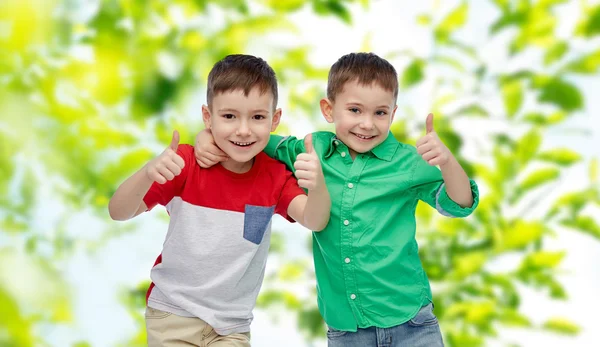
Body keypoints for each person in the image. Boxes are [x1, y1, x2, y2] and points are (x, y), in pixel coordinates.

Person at [193, 52, 480, 347]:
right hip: (346, 328)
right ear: (329, 110)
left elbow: (459, 204)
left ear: (393, 114)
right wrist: (206, 136)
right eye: (355, 110)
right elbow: (254, 140)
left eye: (380, 113)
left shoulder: (408, 162)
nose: (367, 124)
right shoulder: (310, 148)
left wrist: (447, 162)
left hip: (411, 321)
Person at [108, 54, 331, 347]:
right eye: (229, 116)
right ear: (207, 117)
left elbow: (314, 220)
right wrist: (148, 172)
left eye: (257, 117)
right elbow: (118, 211)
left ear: (274, 119)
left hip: (232, 326)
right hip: (173, 315)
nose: (243, 129)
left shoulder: (275, 176)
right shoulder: (186, 163)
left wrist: (318, 186)